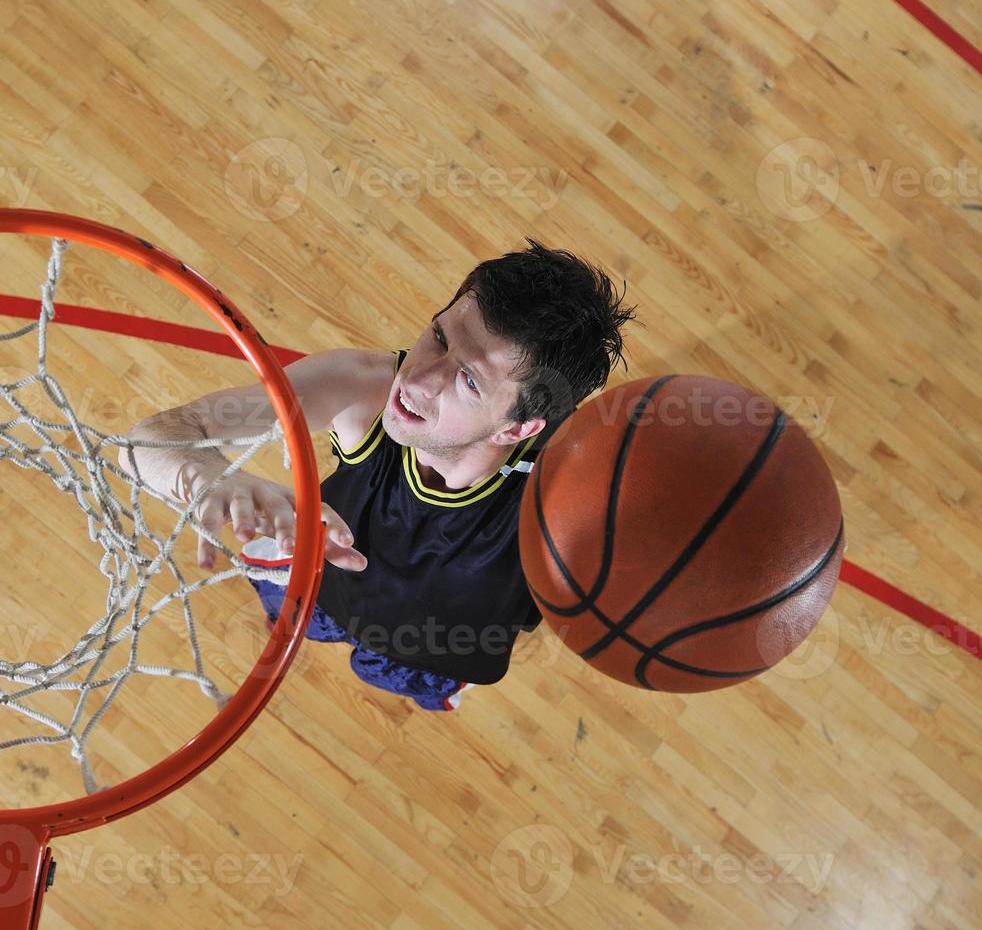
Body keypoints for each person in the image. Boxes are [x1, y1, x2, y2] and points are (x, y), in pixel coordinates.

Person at [120, 239, 637, 711]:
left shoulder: (575, 489)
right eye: (439, 336)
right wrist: (209, 477)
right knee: (295, 616)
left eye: (469, 381)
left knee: (387, 677)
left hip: (437, 648)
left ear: (518, 427)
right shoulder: (362, 386)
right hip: (318, 585)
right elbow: (152, 440)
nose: (419, 378)